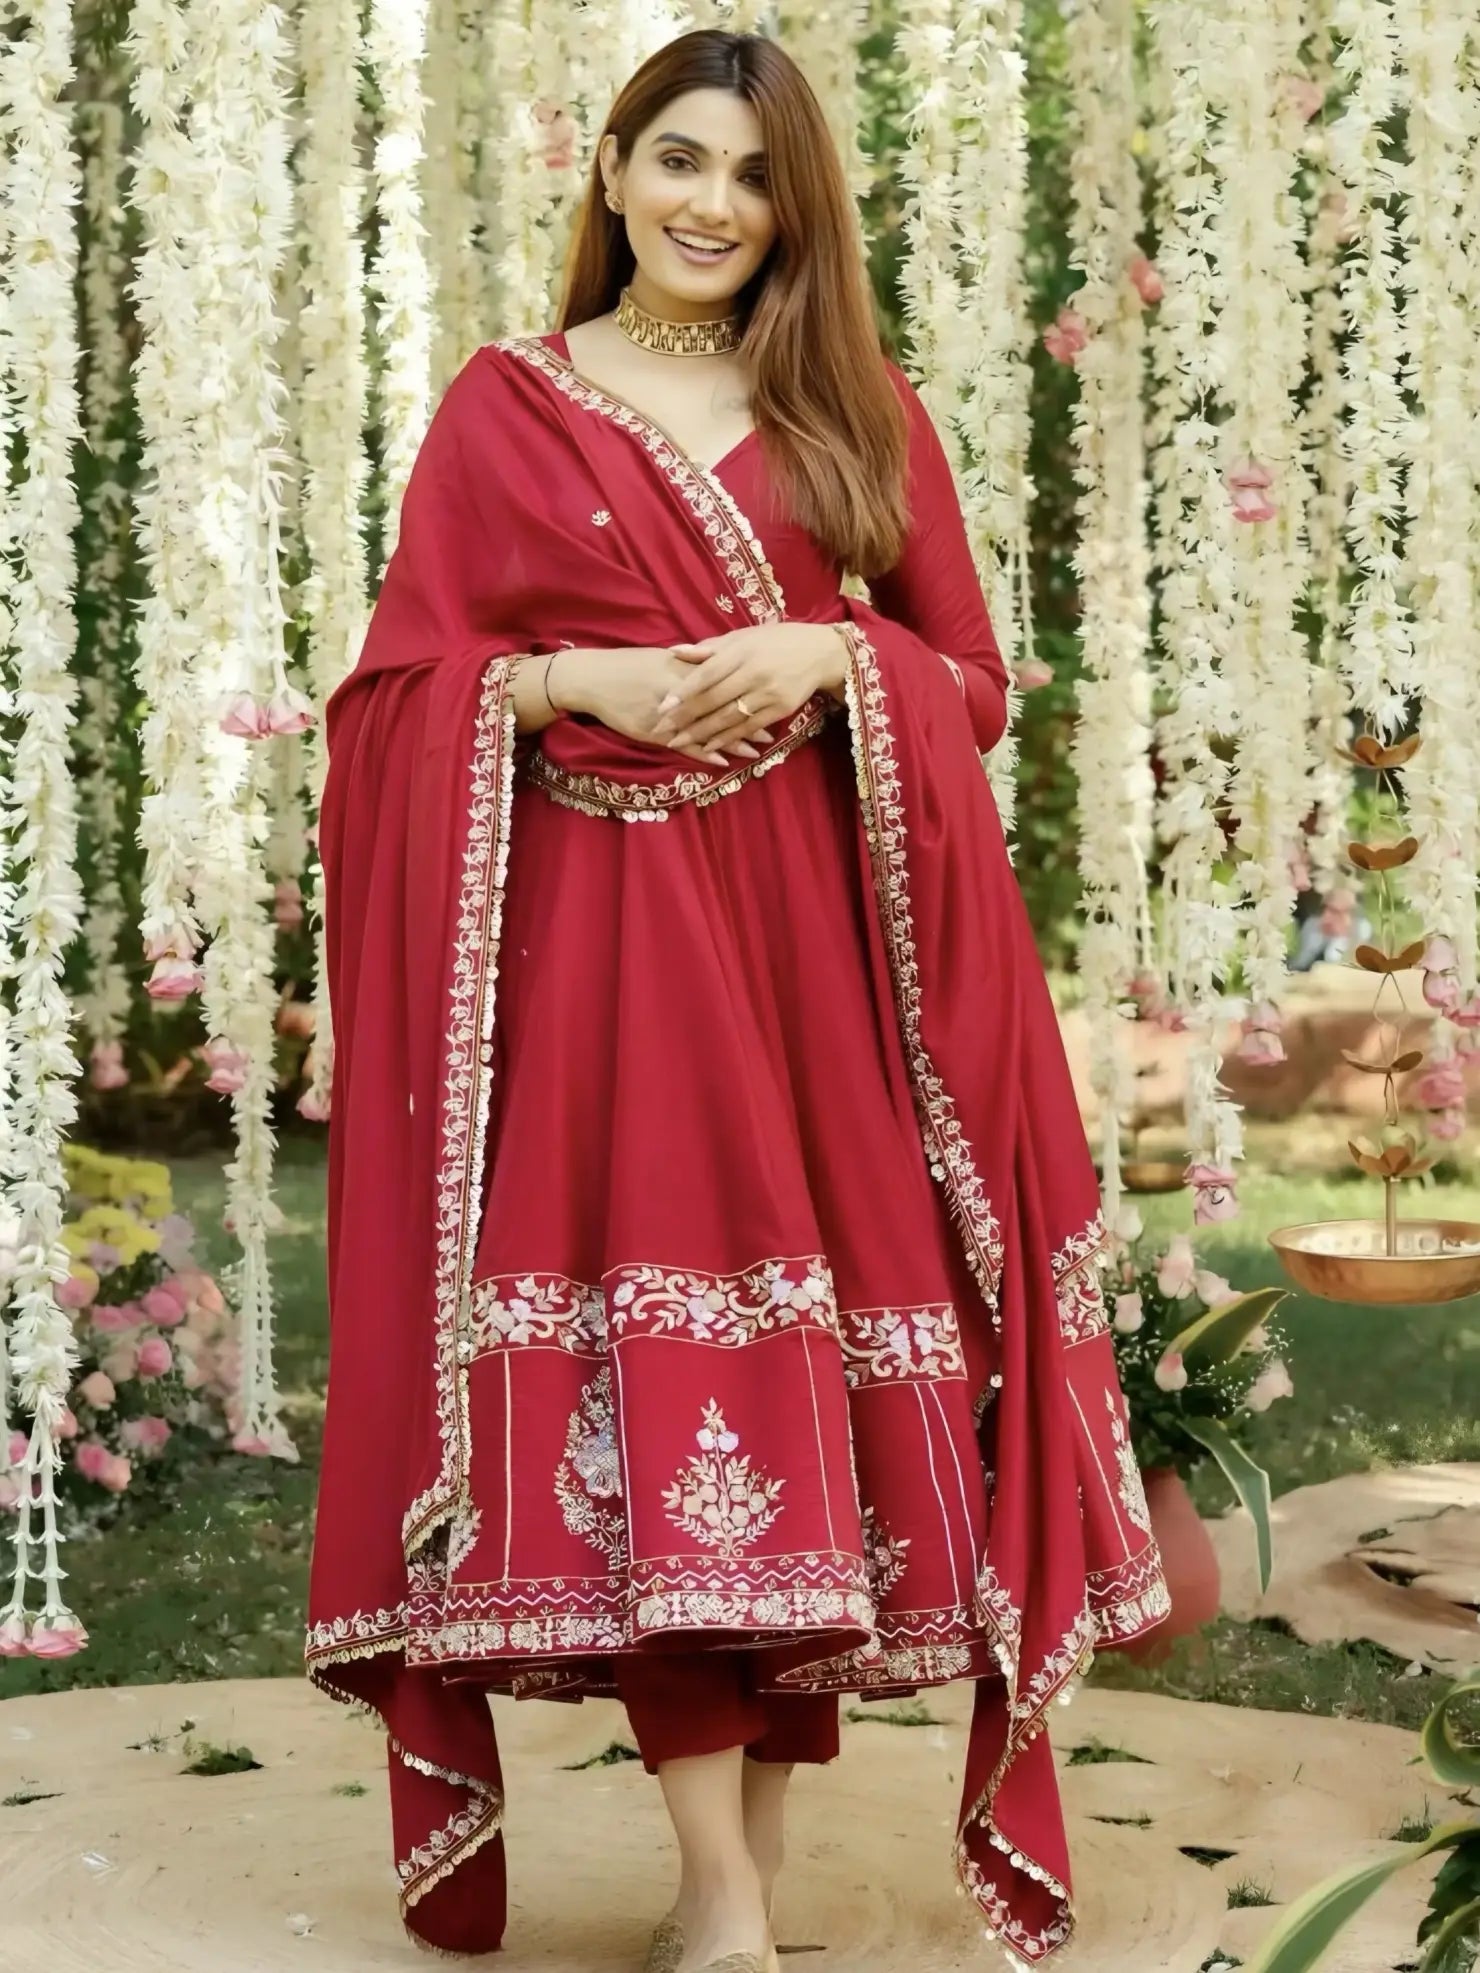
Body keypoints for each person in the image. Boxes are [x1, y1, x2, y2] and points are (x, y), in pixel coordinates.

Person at [306, 27, 1169, 1973]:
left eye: (750, 175)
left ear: (795, 209)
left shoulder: (855, 406)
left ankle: (734, 1886)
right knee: (658, 1398)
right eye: (673, 160)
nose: (708, 203)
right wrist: (554, 687)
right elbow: (390, 705)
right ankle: (718, 1897)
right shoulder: (501, 409)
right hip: (602, 962)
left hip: (813, 954)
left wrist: (822, 649)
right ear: (609, 175)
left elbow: (966, 686)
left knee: (796, 1427)